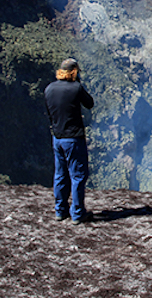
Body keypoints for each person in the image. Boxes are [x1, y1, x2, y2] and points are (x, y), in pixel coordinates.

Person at [44, 58, 95, 224]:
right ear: (74, 72)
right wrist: (79, 84)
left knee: (60, 174)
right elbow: (89, 103)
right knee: (78, 175)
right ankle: (78, 213)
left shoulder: (49, 88)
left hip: (57, 138)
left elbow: (50, 113)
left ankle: (60, 211)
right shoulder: (76, 88)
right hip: (73, 138)